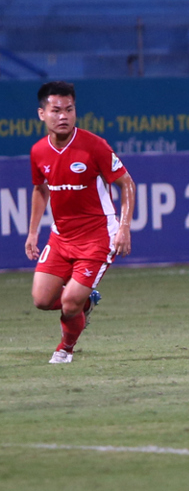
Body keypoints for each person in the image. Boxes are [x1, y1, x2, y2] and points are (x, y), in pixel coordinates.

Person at [25, 81, 136, 364]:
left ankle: (65, 349)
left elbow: (127, 184)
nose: (63, 116)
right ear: (42, 114)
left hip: (98, 236)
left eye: (69, 110)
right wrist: (32, 232)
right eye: (56, 110)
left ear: (76, 112)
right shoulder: (38, 151)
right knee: (41, 300)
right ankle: (89, 300)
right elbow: (40, 189)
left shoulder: (94, 146)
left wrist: (123, 227)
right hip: (60, 237)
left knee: (69, 303)